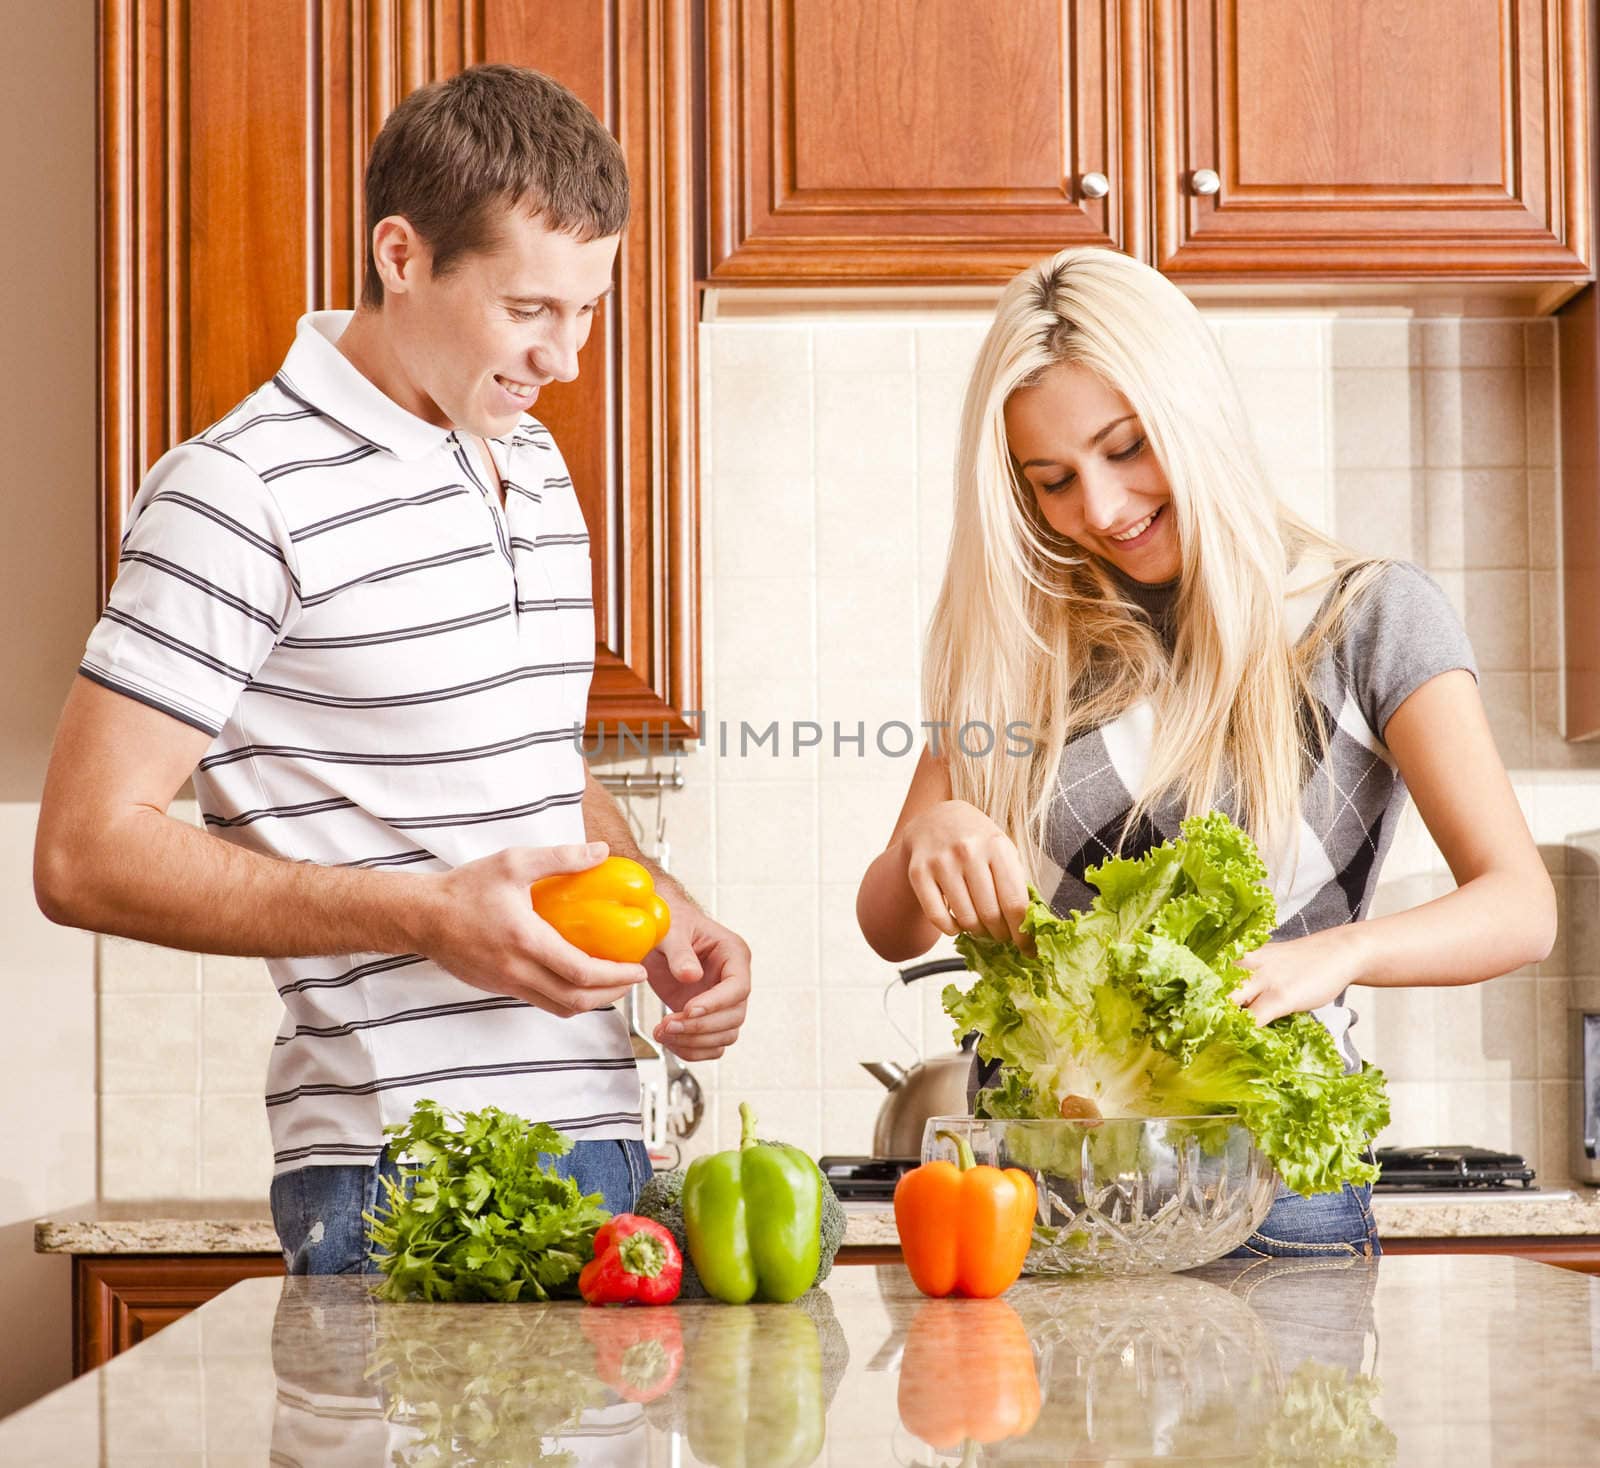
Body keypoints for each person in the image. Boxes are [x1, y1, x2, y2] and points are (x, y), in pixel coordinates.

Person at [33, 64, 749, 1273]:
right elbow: (84, 848)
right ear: (402, 255)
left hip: (606, 1155)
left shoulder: (530, 469)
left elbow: (529, 774)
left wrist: (656, 899)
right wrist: (423, 917)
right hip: (397, 1175)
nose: (565, 358)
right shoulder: (238, 490)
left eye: (588, 310)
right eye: (530, 309)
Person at [855, 245, 1555, 1256]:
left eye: (1126, 446)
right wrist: (933, 838)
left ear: (1190, 413)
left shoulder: (1368, 618)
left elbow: (1518, 904)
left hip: (1274, 1191)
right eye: (1051, 480)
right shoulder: (1017, 649)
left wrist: (1336, 954)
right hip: (1037, 1197)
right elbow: (891, 928)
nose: (1099, 507)